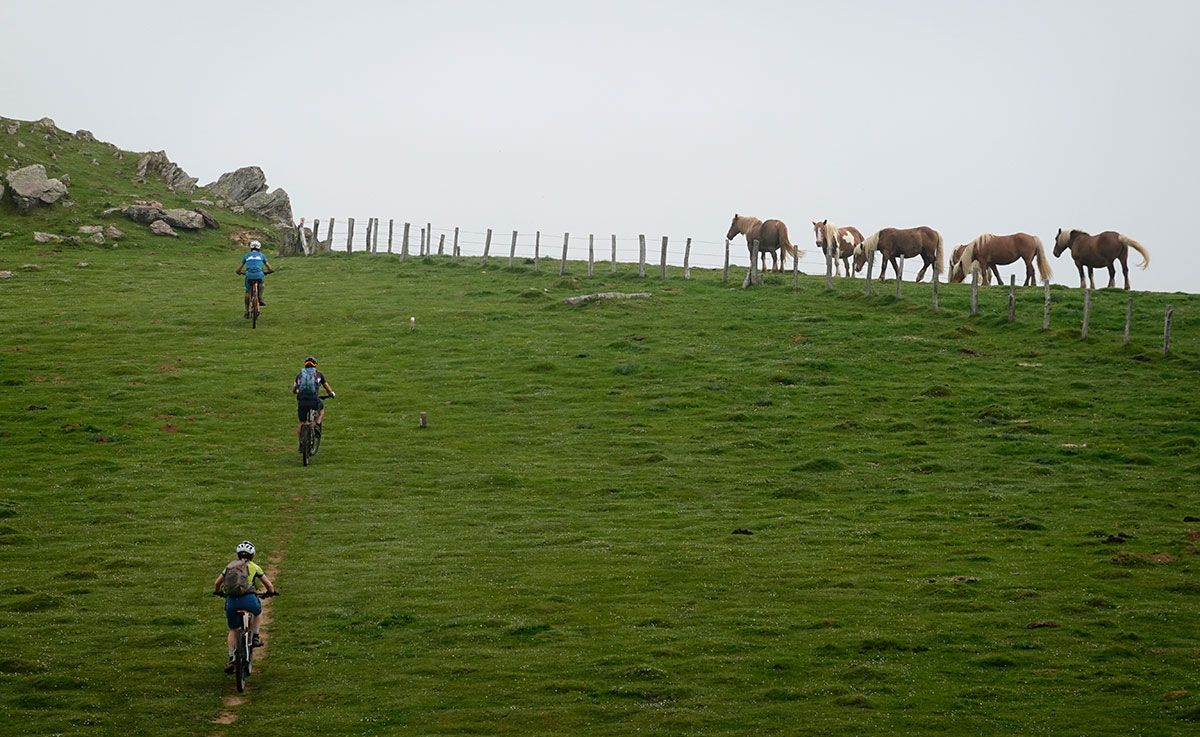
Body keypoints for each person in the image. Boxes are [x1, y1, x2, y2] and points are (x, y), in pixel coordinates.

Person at [212, 540, 277, 673]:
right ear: (252, 555)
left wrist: (219, 591)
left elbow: (217, 583)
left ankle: (231, 658)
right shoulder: (254, 567)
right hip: (249, 599)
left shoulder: (230, 566)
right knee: (258, 612)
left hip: (232, 602)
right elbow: (268, 585)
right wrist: (271, 593)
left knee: (233, 630)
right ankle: (255, 636)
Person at [293, 356, 335, 444]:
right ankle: (318, 424)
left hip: (302, 401)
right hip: (313, 400)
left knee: (301, 422)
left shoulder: (300, 376)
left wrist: (299, 392)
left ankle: (301, 443)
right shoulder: (318, 375)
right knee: (321, 410)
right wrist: (331, 394)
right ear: (315, 365)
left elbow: (294, 390)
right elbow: (327, 388)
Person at [236, 240, 274, 317]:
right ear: (259, 248)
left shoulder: (246, 255)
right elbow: (269, 268)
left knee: (247, 292)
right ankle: (260, 298)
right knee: (262, 284)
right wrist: (269, 271)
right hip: (259, 275)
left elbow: (238, 269)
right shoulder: (262, 255)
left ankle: (247, 312)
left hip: (249, 275)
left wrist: (239, 272)